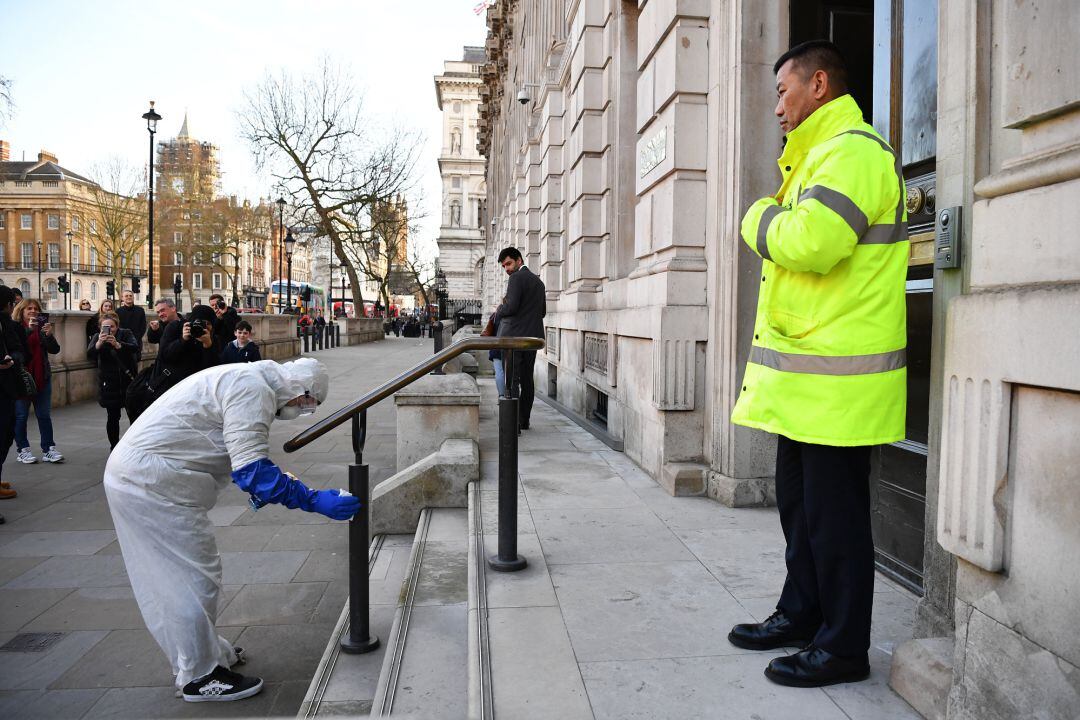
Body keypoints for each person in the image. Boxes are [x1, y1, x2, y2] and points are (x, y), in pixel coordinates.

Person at [726, 40, 908, 689]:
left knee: (835, 523)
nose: (776, 105)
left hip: (838, 381)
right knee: (801, 515)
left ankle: (842, 648)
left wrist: (756, 217)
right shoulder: (818, 157)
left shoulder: (854, 152)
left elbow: (812, 242)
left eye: (783, 90)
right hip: (807, 377)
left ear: (820, 84)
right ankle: (801, 613)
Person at [103, 357, 357, 702]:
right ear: (299, 388)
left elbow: (244, 459)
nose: (300, 410)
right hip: (153, 482)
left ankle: (204, 655)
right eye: (306, 403)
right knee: (192, 580)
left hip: (141, 476)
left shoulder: (246, 378)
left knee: (167, 578)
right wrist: (312, 499)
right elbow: (252, 470)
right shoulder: (252, 388)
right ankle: (200, 676)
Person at [494, 247, 546, 429]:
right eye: (504, 266)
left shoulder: (516, 278)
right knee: (527, 380)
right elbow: (543, 312)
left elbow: (512, 307)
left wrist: (500, 309)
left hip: (515, 339)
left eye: (508, 263)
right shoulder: (539, 282)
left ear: (519, 260)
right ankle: (524, 420)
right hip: (532, 339)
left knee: (512, 380)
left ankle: (513, 424)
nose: (507, 269)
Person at [12, 298, 63, 464]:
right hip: (22, 378)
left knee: (44, 415)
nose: (33, 311)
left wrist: (49, 335)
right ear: (22, 311)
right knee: (21, 416)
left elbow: (55, 350)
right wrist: (29, 330)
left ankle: (48, 449)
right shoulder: (15, 328)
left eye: (35, 309)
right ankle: (23, 450)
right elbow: (16, 349)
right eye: (29, 309)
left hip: (42, 377)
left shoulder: (42, 328)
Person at [87, 312, 139, 449]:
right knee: (113, 417)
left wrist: (118, 345)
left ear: (117, 326)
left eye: (112, 326)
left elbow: (135, 347)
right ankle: (114, 446)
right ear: (100, 327)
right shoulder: (97, 337)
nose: (109, 330)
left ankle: (135, 445)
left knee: (134, 415)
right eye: (105, 327)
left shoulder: (126, 333)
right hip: (109, 382)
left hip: (128, 380)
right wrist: (98, 344)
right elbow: (90, 354)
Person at [0, 286, 26, 506]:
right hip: (3, 390)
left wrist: (11, 359)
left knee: (7, 434)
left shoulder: (8, 325)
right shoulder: (5, 323)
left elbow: (19, 351)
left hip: (8, 389)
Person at [157, 305, 219, 389]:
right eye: (199, 322)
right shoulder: (176, 327)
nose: (203, 326)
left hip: (197, 387)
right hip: (171, 386)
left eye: (207, 324)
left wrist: (208, 346)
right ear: (191, 322)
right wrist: (182, 340)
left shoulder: (213, 339)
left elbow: (213, 372)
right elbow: (163, 356)